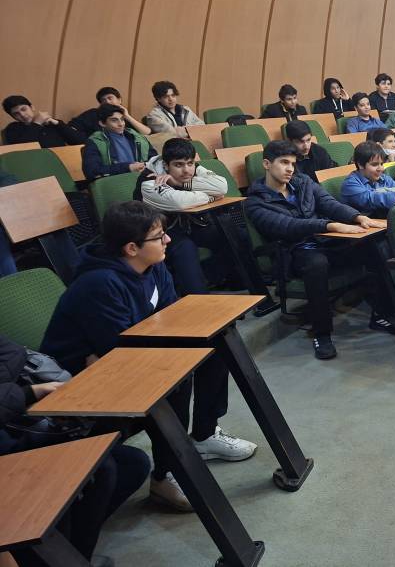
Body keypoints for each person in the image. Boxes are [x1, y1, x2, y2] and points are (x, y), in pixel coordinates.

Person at [40, 201, 257, 513]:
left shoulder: (154, 267)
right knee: (174, 379)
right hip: (77, 384)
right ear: (131, 248)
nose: (168, 240)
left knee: (214, 350)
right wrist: (157, 343)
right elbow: (120, 351)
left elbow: (172, 317)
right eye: (159, 236)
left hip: (119, 356)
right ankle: (164, 476)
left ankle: (205, 434)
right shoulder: (98, 283)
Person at [245, 141, 395, 360]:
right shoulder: (255, 202)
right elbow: (287, 226)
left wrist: (358, 217)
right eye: (284, 163)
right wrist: (329, 225)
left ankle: (382, 313)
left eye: (292, 163)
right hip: (293, 251)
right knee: (316, 264)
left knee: (374, 247)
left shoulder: (302, 182)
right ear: (266, 164)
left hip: (324, 242)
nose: (290, 169)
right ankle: (321, 333)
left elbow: (329, 203)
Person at [0, 333, 150, 565]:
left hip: (24, 424)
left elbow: (13, 352)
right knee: (96, 469)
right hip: (12, 450)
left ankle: (76, 556)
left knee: (132, 463)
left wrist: (9, 391)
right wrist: (24, 393)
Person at [138, 138, 239, 294]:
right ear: (166, 165)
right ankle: (200, 300)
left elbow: (222, 187)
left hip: (191, 224)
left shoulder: (194, 168)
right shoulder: (149, 179)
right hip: (161, 233)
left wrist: (180, 184)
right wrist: (212, 196)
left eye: (190, 163)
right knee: (185, 248)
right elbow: (180, 203)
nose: (186, 170)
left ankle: (231, 281)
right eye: (178, 165)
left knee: (231, 233)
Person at [341, 141, 395, 218]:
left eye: (381, 164)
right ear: (360, 164)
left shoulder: (383, 178)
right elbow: (371, 199)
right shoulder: (350, 184)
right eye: (374, 165)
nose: (381, 169)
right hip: (366, 223)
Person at [82, 103, 155, 180]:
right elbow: (92, 171)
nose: (121, 124)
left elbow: (155, 160)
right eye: (114, 120)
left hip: (143, 179)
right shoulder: (95, 141)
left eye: (122, 119)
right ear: (102, 123)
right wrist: (128, 167)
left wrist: (145, 166)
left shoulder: (137, 137)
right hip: (115, 182)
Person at [2, 94, 85, 147]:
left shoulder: (52, 124)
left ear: (32, 107)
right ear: (13, 117)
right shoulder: (12, 129)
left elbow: (81, 142)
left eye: (24, 109)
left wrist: (58, 124)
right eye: (16, 114)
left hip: (60, 162)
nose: (22, 115)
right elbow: (22, 149)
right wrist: (37, 123)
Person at [71, 86, 151, 137]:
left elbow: (147, 132)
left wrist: (127, 116)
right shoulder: (93, 113)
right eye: (103, 100)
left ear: (119, 100)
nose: (107, 102)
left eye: (110, 98)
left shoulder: (123, 117)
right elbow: (72, 127)